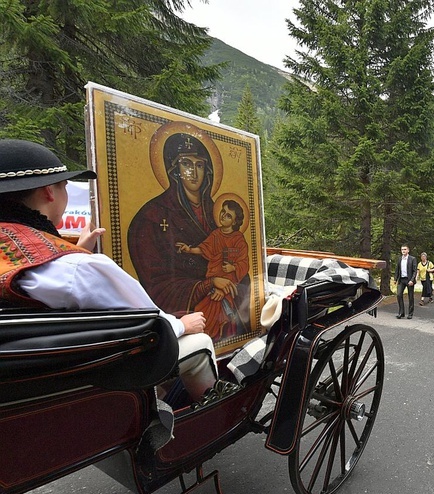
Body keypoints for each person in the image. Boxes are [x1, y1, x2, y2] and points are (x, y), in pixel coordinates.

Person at [0, 139, 220, 402]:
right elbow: (151, 323)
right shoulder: (77, 268)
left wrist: (77, 253)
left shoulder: (59, 263)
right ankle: (194, 414)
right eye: (63, 186)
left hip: (22, 382)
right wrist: (182, 325)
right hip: (77, 380)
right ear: (49, 192)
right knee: (201, 342)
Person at [128, 124, 250, 339]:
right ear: (173, 170)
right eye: (185, 164)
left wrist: (229, 278)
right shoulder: (151, 217)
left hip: (226, 302)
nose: (193, 173)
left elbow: (239, 259)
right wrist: (207, 284)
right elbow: (156, 284)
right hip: (185, 320)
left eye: (199, 165)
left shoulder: (218, 214)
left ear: (208, 170)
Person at [176, 199, 250, 339]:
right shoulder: (216, 234)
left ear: (234, 222)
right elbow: (204, 249)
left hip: (230, 285)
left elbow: (244, 263)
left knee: (214, 310)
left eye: (228, 215)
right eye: (223, 211)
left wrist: (233, 267)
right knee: (201, 309)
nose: (223, 215)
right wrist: (189, 250)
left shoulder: (238, 239)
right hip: (213, 281)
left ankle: (211, 338)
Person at [394, 244, 417, 319]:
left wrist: (412, 280)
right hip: (401, 279)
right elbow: (397, 269)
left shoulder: (412, 259)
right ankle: (401, 312)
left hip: (409, 280)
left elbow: (414, 271)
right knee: (399, 295)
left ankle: (410, 313)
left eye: (404, 249)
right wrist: (395, 279)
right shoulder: (400, 259)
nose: (403, 251)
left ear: (408, 250)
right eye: (402, 249)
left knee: (410, 297)